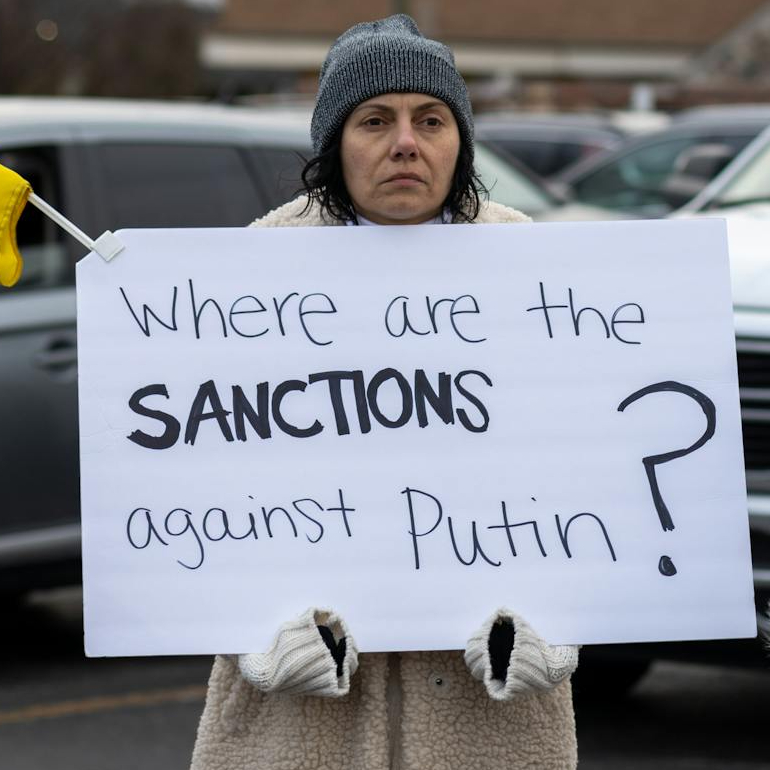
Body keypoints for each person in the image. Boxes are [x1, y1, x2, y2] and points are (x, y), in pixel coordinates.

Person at [190, 14, 579, 770]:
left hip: (495, 729)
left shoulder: (546, 279)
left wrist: (564, 623)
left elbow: (596, 493)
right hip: (289, 734)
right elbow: (191, 509)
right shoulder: (242, 285)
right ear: (336, 141)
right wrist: (249, 633)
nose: (406, 141)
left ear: (460, 139)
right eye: (376, 119)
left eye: (430, 119)